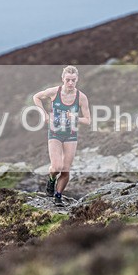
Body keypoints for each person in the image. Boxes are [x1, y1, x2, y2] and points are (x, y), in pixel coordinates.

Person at [32, 65, 91, 206]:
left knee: (65, 170)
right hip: (55, 134)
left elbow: (88, 120)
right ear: (62, 79)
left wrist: (74, 117)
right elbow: (36, 97)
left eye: (73, 80)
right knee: (56, 167)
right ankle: (51, 181)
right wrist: (44, 114)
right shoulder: (54, 92)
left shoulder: (81, 97)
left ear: (77, 80)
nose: (70, 83)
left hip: (71, 135)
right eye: (68, 80)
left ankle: (58, 196)